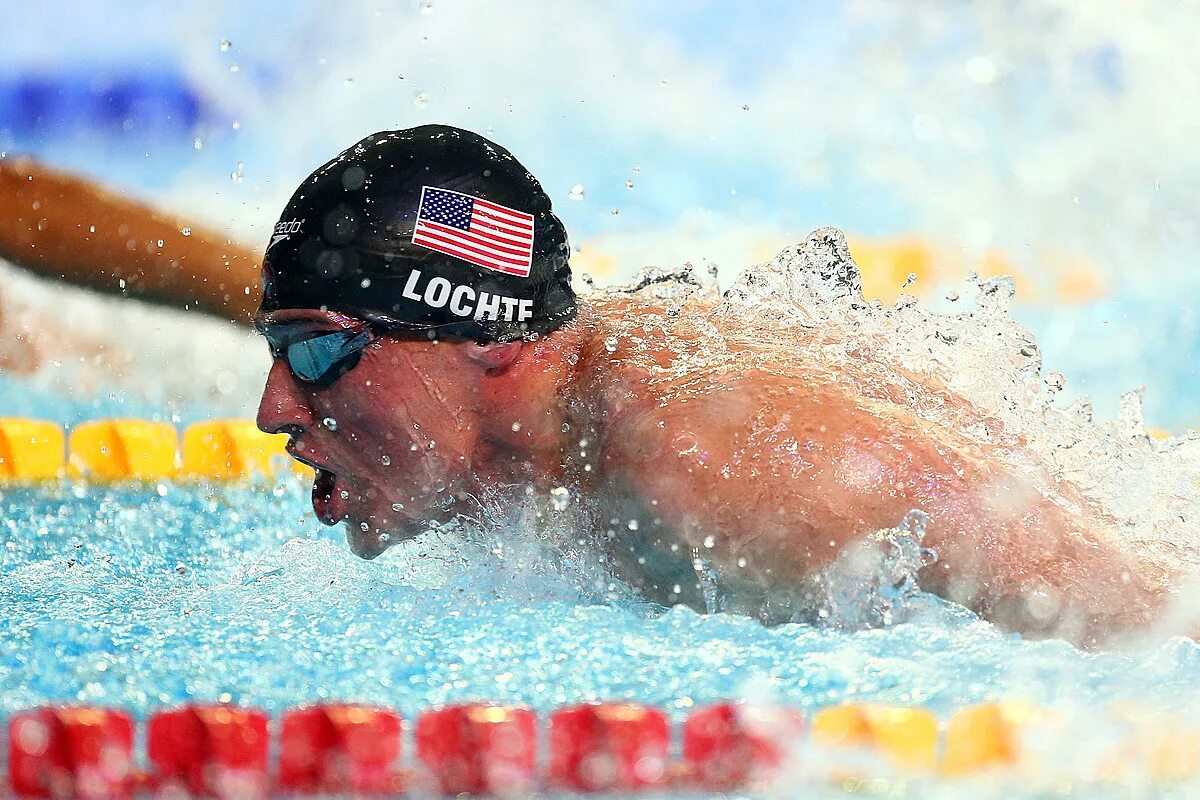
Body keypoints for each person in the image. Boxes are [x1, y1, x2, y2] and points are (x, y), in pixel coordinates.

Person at [251, 125, 1171, 648]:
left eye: (319, 354)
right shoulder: (576, 418)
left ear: (487, 336)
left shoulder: (702, 469)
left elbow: (1147, 616)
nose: (273, 411)